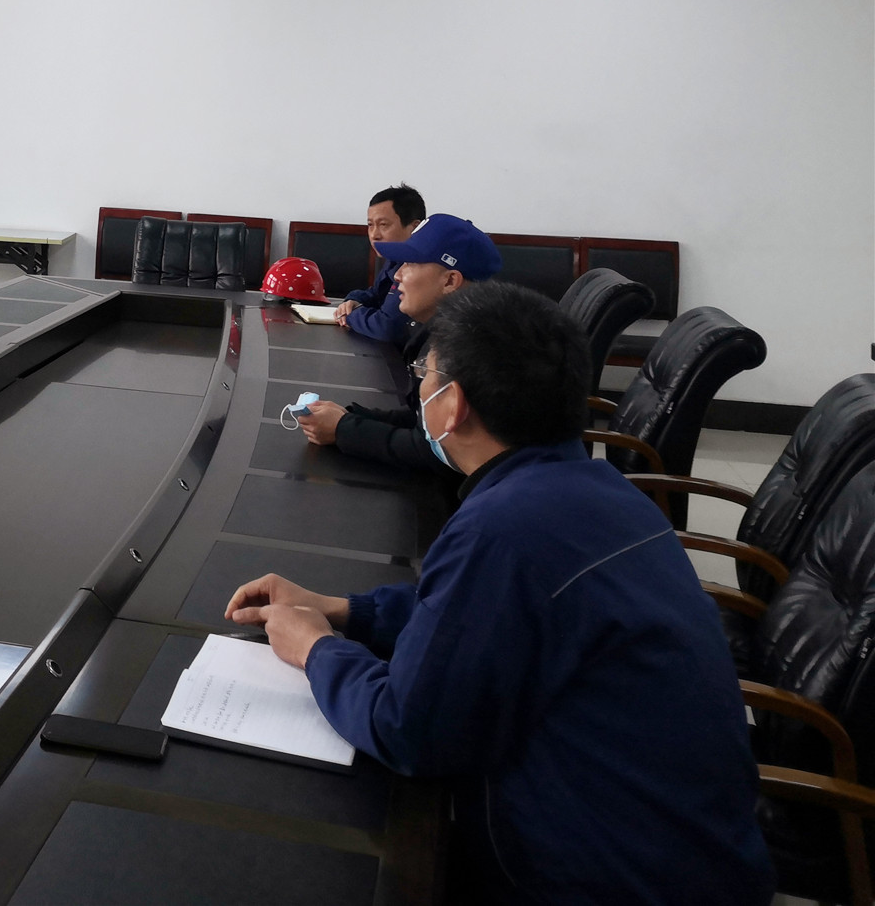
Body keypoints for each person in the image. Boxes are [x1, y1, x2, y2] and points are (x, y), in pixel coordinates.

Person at [228, 282, 772, 905]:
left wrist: (315, 648)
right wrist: (350, 610)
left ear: (452, 405)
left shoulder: (504, 529)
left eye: (424, 376)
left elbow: (408, 731)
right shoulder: (601, 489)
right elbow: (480, 613)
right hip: (690, 857)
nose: (420, 390)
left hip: (606, 880)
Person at [297, 213, 502, 473]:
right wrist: (351, 416)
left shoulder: (475, 351)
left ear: (450, 280)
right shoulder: (445, 331)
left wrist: (343, 429)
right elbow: (424, 421)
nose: (397, 275)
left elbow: (439, 452)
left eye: (411, 263)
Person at [331, 183, 424, 345]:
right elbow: (376, 294)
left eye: (383, 225)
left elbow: (386, 327)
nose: (374, 235)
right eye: (370, 225)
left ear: (414, 228)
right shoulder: (394, 259)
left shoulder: (420, 266)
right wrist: (353, 301)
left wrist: (351, 314)